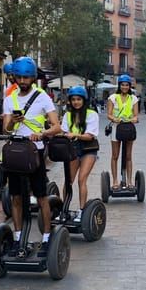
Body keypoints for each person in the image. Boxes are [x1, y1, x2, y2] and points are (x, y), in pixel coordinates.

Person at [2, 56, 60, 253]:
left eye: (27, 78)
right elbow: (6, 130)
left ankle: (45, 237)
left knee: (41, 196)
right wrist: (13, 121)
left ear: (33, 78)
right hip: (16, 151)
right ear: (15, 77)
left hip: (35, 152)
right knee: (16, 197)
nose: (23, 81)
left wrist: (42, 133)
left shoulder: (43, 97)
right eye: (20, 77)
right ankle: (18, 238)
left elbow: (57, 126)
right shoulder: (10, 99)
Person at [60, 86, 99, 221]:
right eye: (73, 99)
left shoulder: (91, 114)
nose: (76, 102)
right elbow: (64, 132)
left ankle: (82, 210)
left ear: (84, 100)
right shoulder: (67, 115)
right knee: (68, 180)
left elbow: (90, 136)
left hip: (88, 149)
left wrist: (74, 135)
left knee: (82, 179)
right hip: (73, 148)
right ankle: (64, 209)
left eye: (78, 99)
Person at [106, 74, 139, 189]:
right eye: (122, 85)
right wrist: (115, 119)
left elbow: (136, 116)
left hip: (128, 128)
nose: (124, 87)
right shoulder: (112, 98)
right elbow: (109, 114)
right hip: (116, 127)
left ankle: (129, 181)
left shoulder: (133, 98)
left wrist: (132, 119)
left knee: (128, 156)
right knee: (115, 155)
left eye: (127, 85)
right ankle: (115, 181)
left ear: (129, 86)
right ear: (119, 85)